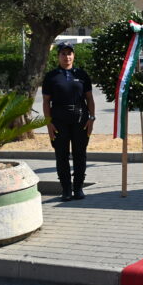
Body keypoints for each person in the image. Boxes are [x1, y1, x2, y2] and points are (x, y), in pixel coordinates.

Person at [42, 42, 95, 201]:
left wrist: (92, 118)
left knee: (80, 155)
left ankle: (78, 188)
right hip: (59, 121)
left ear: (74, 56)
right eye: (63, 54)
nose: (67, 57)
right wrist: (48, 123)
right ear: (58, 56)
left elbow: (90, 99)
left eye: (69, 53)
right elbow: (46, 102)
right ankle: (66, 189)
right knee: (61, 156)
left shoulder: (82, 74)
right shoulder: (51, 76)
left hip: (80, 120)